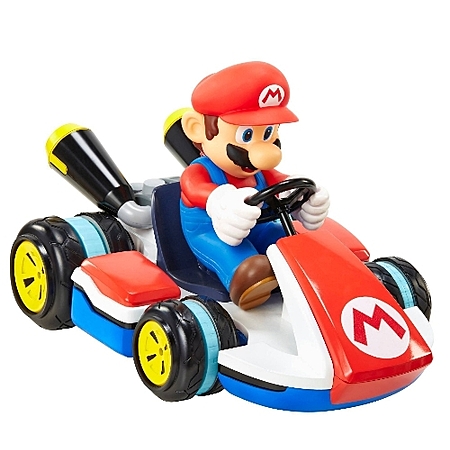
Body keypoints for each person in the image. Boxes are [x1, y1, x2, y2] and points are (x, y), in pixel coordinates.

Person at [180, 61, 330, 310]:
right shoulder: (198, 171)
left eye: (269, 133)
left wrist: (305, 196)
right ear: (197, 129)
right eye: (247, 135)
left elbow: (281, 181)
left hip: (259, 225)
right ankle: (246, 281)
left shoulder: (263, 171)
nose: (266, 153)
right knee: (244, 262)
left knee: (295, 245)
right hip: (212, 233)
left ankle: (313, 273)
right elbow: (196, 189)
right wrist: (221, 200)